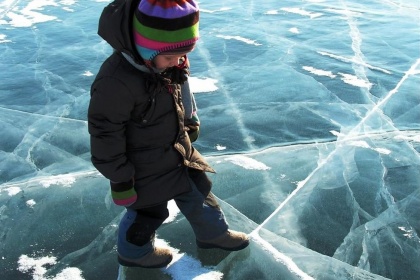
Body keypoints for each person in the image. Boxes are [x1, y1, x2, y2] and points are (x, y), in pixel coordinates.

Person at [88, 0, 249, 268]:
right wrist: (120, 178)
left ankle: (214, 235)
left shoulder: (170, 61)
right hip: (142, 166)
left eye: (183, 55)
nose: (177, 62)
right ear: (144, 49)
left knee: (200, 193)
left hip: (177, 150)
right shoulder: (116, 81)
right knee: (148, 212)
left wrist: (189, 120)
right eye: (169, 57)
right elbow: (105, 132)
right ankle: (134, 253)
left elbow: (182, 90)